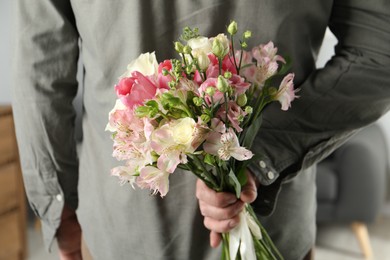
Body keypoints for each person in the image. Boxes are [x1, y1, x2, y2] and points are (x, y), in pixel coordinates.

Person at [11, 1, 390, 259]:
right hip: (269, 233)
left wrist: (56, 208)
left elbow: (41, 72)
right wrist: (263, 157)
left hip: (123, 231)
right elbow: (380, 56)